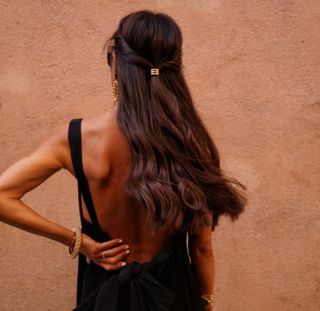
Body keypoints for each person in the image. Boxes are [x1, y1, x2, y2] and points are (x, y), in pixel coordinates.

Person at [0, 9, 247, 311]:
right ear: (175, 66)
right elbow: (202, 247)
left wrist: (77, 242)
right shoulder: (192, 143)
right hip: (175, 296)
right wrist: (207, 303)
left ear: (115, 62)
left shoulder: (75, 138)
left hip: (103, 296)